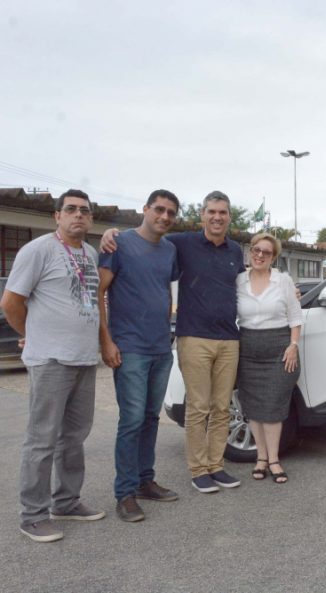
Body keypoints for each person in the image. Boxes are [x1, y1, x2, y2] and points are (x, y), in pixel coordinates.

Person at [102, 190, 245, 493]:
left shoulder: (235, 251)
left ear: (229, 217)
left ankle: (216, 466)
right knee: (198, 407)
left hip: (227, 339)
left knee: (222, 408)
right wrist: (110, 231)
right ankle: (198, 470)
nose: (217, 217)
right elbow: (143, 238)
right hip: (192, 336)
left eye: (223, 212)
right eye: (211, 212)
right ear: (202, 216)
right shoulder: (181, 244)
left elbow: (249, 285)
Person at [1, 189, 106, 542]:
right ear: (56, 216)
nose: (79, 215)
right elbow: (11, 302)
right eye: (71, 209)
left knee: (74, 437)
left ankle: (66, 501)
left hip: (83, 358)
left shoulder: (89, 254)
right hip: (50, 359)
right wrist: (32, 333)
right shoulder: (38, 250)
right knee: (41, 440)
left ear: (90, 219)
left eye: (85, 211)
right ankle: (32, 515)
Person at [98, 190, 181, 522]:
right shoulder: (119, 243)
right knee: (131, 421)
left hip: (161, 347)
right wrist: (106, 341)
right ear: (145, 209)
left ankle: (146, 481)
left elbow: (165, 287)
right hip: (130, 348)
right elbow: (99, 292)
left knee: (150, 419)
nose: (163, 216)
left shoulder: (171, 250)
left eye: (170, 212)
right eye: (158, 209)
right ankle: (125, 493)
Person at [236, 233, 303, 483]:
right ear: (250, 252)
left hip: (279, 348)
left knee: (274, 406)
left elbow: (295, 317)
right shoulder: (239, 281)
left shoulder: (283, 281)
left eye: (266, 252)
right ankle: (260, 458)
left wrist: (293, 345)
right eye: (256, 250)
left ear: (273, 257)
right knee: (253, 406)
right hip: (248, 348)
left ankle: (274, 459)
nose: (260, 255)